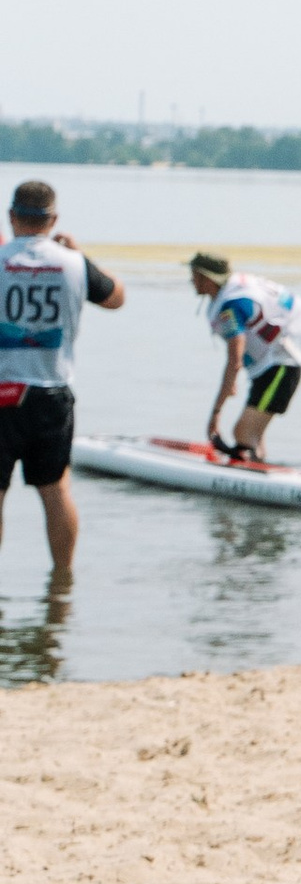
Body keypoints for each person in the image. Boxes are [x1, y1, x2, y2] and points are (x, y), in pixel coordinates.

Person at [0, 179, 125, 583]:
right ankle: (62, 583)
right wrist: (79, 253)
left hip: (2, 394)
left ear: (11, 216)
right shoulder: (73, 263)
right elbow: (116, 297)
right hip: (51, 394)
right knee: (55, 491)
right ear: (53, 219)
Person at [190, 254, 301, 461]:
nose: (191, 281)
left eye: (194, 276)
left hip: (280, 369)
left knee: (243, 433)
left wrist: (216, 413)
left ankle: (250, 478)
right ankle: (257, 468)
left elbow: (235, 359)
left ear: (207, 279)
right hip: (266, 369)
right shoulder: (231, 293)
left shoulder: (229, 309)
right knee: (252, 436)